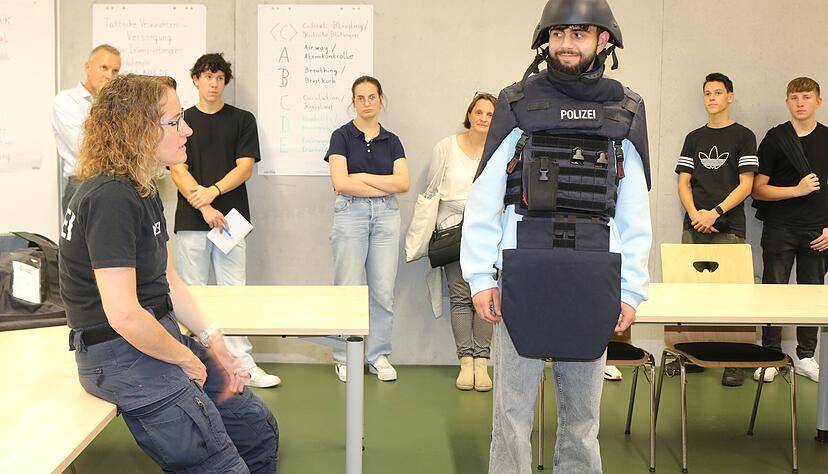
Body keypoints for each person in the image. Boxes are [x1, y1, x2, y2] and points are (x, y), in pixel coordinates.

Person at [461, 0, 652, 472]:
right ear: (546, 38)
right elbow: (484, 198)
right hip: (521, 273)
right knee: (509, 417)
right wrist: (481, 278)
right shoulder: (516, 103)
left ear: (603, 40)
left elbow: (634, 214)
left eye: (579, 33)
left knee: (583, 420)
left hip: (592, 278)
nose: (567, 42)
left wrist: (630, 290)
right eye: (559, 33)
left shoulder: (624, 110)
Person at [59, 74, 278, 473]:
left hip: (153, 336)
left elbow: (169, 282)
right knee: (219, 465)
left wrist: (213, 342)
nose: (188, 129)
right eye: (176, 121)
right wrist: (185, 359)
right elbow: (123, 314)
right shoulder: (111, 196)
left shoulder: (141, 188)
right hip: (120, 353)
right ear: (139, 129)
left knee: (256, 428)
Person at [170, 53, 280, 388]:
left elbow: (245, 167)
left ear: (225, 82)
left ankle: (243, 365)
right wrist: (202, 203)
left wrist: (213, 192)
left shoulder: (241, 119)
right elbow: (177, 168)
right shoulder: (181, 120)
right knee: (193, 294)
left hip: (232, 220)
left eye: (219, 78)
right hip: (192, 218)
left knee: (235, 293)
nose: (213, 84)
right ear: (195, 80)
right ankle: (200, 367)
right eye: (207, 77)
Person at [673, 72, 758, 387]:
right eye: (707, 93)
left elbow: (746, 184)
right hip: (694, 225)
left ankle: (734, 362)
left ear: (730, 97)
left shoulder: (744, 135)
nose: (712, 98)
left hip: (729, 226)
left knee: (733, 297)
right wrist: (696, 214)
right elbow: (683, 181)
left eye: (718, 93)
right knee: (691, 295)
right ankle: (693, 356)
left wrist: (716, 212)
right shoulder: (694, 137)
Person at [324, 75, 410, 382]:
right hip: (351, 214)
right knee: (347, 287)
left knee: (383, 291)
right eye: (360, 98)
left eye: (371, 97)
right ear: (353, 101)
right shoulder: (341, 136)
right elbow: (340, 182)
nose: (366, 103)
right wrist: (378, 183)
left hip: (387, 216)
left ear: (381, 99)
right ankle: (344, 355)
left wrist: (361, 176)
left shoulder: (393, 140)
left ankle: (378, 355)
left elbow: (402, 183)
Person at [752, 76, 826, 384]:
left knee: (812, 295)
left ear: (818, 101)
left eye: (806, 97)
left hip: (818, 233)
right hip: (780, 228)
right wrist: (796, 190)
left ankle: (806, 355)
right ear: (787, 103)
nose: (800, 103)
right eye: (795, 98)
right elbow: (758, 189)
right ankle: (770, 356)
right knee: (773, 291)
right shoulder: (775, 138)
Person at [428, 92, 497, 391]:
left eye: (489, 114)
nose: (482, 118)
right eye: (478, 112)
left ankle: (482, 362)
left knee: (486, 296)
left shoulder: (500, 151)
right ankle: (465, 362)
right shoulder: (446, 147)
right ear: (469, 114)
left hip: (488, 233)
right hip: (453, 230)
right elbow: (432, 192)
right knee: (459, 296)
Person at [53, 44, 121, 211]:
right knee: (81, 238)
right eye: (104, 68)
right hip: (82, 185)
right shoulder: (66, 100)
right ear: (87, 67)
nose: (109, 76)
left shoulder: (117, 104)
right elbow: (85, 147)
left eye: (115, 71)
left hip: (115, 184)